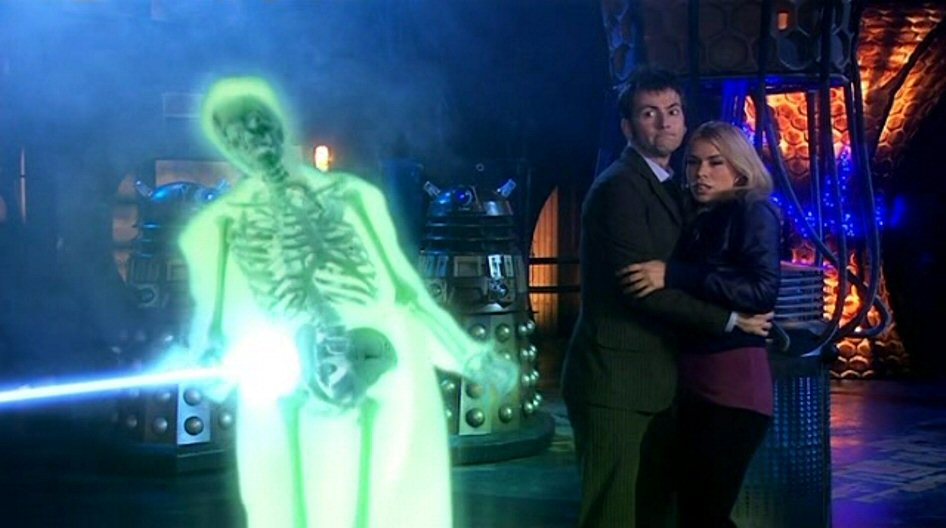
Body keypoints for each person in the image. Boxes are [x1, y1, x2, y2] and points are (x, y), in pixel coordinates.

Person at [177, 76, 515, 528]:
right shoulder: (215, 226)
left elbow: (405, 290)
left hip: (376, 357)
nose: (251, 138)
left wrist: (469, 356)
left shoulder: (355, 198)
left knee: (384, 495)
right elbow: (212, 324)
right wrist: (212, 362)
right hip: (287, 371)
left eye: (257, 123)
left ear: (277, 124)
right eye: (235, 133)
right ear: (226, 145)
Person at [560, 67, 772, 528]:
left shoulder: (673, 186)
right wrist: (729, 320)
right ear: (627, 127)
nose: (664, 122)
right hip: (616, 381)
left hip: (663, 381)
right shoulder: (620, 188)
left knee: (656, 511)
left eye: (672, 111)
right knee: (612, 513)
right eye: (649, 113)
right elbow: (641, 289)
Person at [620, 120, 781, 527]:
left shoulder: (752, 211)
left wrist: (675, 275)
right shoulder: (700, 215)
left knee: (704, 514)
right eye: (693, 163)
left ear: (740, 169)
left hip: (733, 383)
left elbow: (762, 291)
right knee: (696, 511)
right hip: (697, 380)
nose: (701, 173)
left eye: (714, 162)